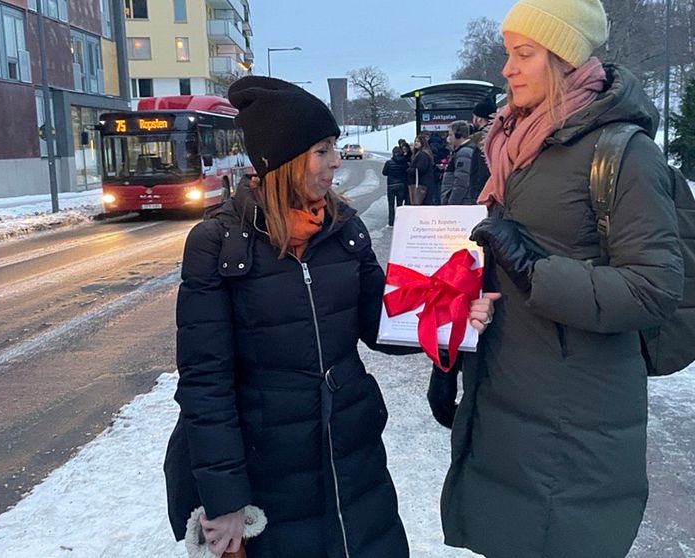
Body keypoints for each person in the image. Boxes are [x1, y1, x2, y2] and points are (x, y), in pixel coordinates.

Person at [165, 76, 498, 558]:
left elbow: (380, 320)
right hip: (270, 470)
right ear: (283, 160)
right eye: (322, 150)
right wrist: (225, 499)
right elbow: (204, 383)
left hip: (352, 456)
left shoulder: (343, 228)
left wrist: (456, 311)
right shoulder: (218, 245)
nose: (336, 160)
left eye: (334, 147)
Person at [430, 1, 685, 557]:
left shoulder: (623, 153)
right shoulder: (509, 146)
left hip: (575, 418)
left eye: (524, 55)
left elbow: (655, 288)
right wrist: (452, 350)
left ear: (567, 62)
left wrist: (533, 269)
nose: (507, 69)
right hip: (503, 394)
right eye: (507, 54)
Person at [440, 120, 488, 205]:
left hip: (462, 202)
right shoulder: (464, 151)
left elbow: (461, 181)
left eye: (450, 134)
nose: (448, 138)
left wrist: (451, 202)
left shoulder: (463, 153)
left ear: (459, 135)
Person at [381, 146, 409, 226]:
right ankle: (399, 220)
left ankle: (391, 222)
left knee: (391, 204)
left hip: (391, 185)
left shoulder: (389, 163)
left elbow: (384, 173)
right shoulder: (404, 163)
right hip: (401, 185)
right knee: (399, 204)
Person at [406, 135, 436, 205]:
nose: (416, 143)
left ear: (423, 143)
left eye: (418, 141)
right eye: (415, 141)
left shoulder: (422, 155)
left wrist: (409, 170)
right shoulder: (423, 153)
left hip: (421, 184)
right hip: (424, 183)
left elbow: (420, 169)